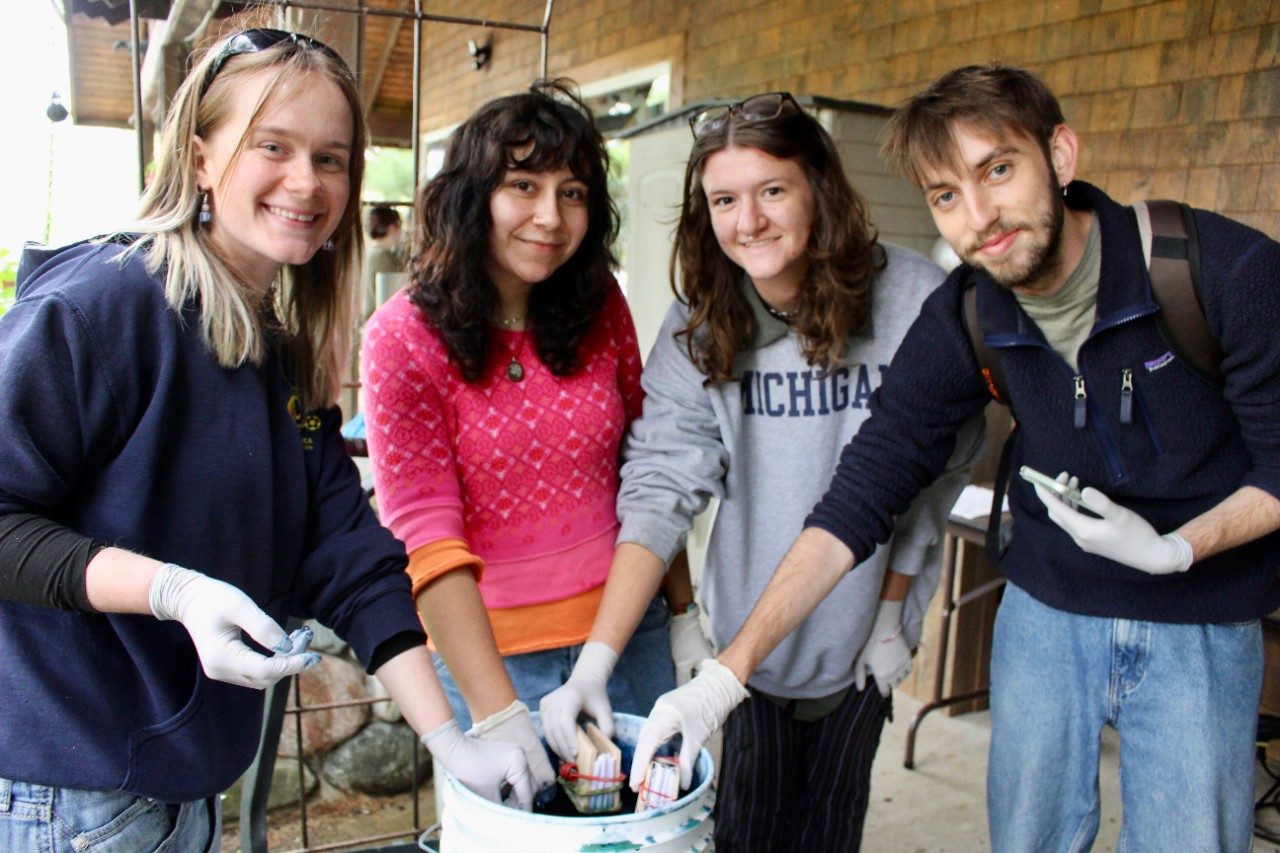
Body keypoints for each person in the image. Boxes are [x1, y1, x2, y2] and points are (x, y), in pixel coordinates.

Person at [633, 64, 1280, 853]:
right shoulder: (967, 312)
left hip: (1201, 615)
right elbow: (859, 497)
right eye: (945, 195)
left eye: (997, 171)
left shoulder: (1220, 271)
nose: (979, 216)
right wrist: (727, 675)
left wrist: (1178, 548)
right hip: (1048, 602)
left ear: (1062, 156)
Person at [0, 28, 535, 851]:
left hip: (171, 794)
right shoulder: (103, 307)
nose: (306, 181)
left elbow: (350, 556)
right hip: (67, 791)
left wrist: (451, 739)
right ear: (203, 156)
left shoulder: (269, 347)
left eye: (331, 158)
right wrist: (170, 590)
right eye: (272, 146)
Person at [538, 91, 982, 850]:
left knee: (832, 825)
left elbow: (939, 470)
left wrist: (891, 608)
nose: (749, 221)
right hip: (744, 650)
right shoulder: (699, 326)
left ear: (820, 188)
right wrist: (600, 660)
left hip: (862, 637)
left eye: (773, 190)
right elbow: (659, 489)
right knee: (745, 829)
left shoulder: (916, 301)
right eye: (725, 199)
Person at [361, 79, 692, 804]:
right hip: (493, 660)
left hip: (627, 637)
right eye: (523, 185)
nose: (550, 216)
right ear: (471, 194)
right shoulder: (400, 338)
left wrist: (686, 613)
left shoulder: (600, 304)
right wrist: (496, 709)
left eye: (573, 192)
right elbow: (424, 533)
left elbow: (649, 468)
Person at [361, 203, 406, 324]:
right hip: (378, 321)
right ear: (393, 228)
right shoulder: (382, 256)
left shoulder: (368, 251)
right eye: (400, 227)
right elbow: (394, 296)